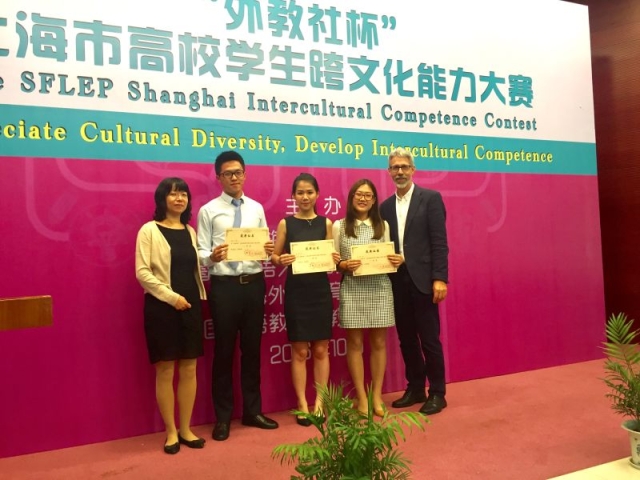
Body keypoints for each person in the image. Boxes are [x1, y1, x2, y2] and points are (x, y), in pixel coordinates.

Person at [197, 150, 278, 441]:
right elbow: (201, 250)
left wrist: (267, 250)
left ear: (245, 174)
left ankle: (252, 411)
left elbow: (264, 249)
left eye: (238, 172)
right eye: (228, 173)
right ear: (218, 177)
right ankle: (223, 418)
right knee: (224, 352)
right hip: (225, 287)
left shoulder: (256, 208)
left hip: (254, 284)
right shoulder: (208, 210)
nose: (234, 178)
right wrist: (213, 257)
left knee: (252, 350)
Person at [135, 177, 207, 454]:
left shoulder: (190, 231)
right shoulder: (149, 230)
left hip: (190, 306)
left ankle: (186, 429)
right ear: (162, 198)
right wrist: (171, 297)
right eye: (173, 194)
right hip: (162, 308)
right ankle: (171, 432)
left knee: (189, 369)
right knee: (165, 370)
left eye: (184, 194)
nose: (179, 199)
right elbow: (142, 273)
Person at [380, 147, 450, 415]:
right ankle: (416, 387)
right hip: (396, 281)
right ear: (389, 172)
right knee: (406, 338)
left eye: (404, 167)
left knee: (429, 339)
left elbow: (439, 243)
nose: (399, 172)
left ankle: (438, 392)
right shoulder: (385, 207)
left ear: (413, 170)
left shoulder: (430, 198)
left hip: (424, 281)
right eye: (394, 168)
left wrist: (440, 278)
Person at [271, 173, 339, 426]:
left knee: (321, 350)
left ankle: (319, 403)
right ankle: (302, 404)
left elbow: (332, 257)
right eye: (300, 192)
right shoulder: (286, 224)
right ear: (293, 196)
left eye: (310, 192)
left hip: (320, 292)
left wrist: (334, 258)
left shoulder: (326, 223)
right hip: (297, 293)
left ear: (317, 194)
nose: (305, 197)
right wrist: (281, 259)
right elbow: (274, 257)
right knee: (299, 351)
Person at [333, 179, 404, 416]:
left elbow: (389, 257)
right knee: (354, 344)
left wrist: (396, 260)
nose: (363, 199)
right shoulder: (339, 226)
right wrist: (344, 264)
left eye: (368, 195)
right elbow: (334, 261)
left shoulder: (383, 225)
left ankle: (376, 396)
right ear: (351, 197)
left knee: (379, 344)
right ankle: (361, 397)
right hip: (353, 289)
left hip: (379, 288)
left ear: (374, 201)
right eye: (359, 194)